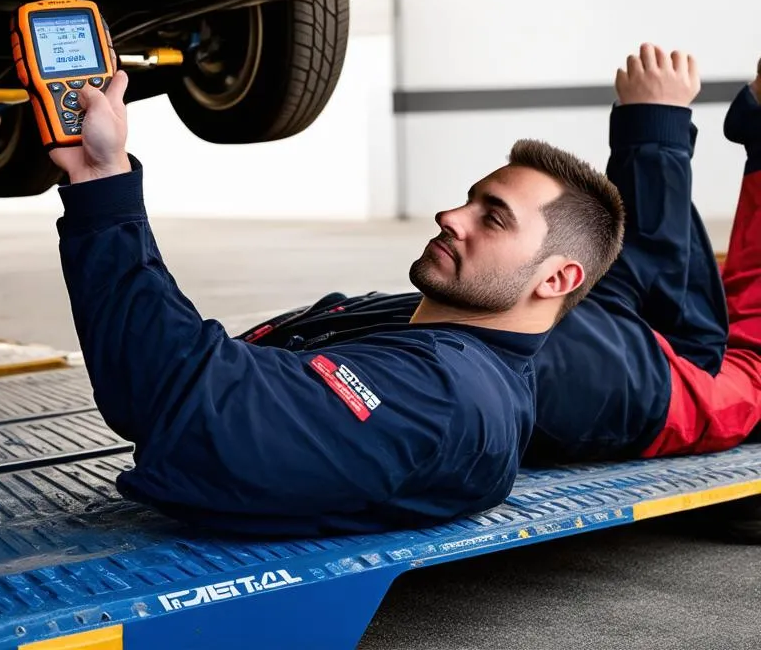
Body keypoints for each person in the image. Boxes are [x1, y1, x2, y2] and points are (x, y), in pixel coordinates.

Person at [50, 69, 624, 536]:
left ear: (556, 279)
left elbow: (187, 395)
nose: (450, 217)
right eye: (468, 201)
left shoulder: (447, 396)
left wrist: (105, 182)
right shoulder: (420, 327)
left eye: (492, 218)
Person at [529, 45, 761, 465]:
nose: (448, 219)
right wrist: (655, 128)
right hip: (677, 381)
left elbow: (638, 286)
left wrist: (654, 128)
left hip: (669, 382)